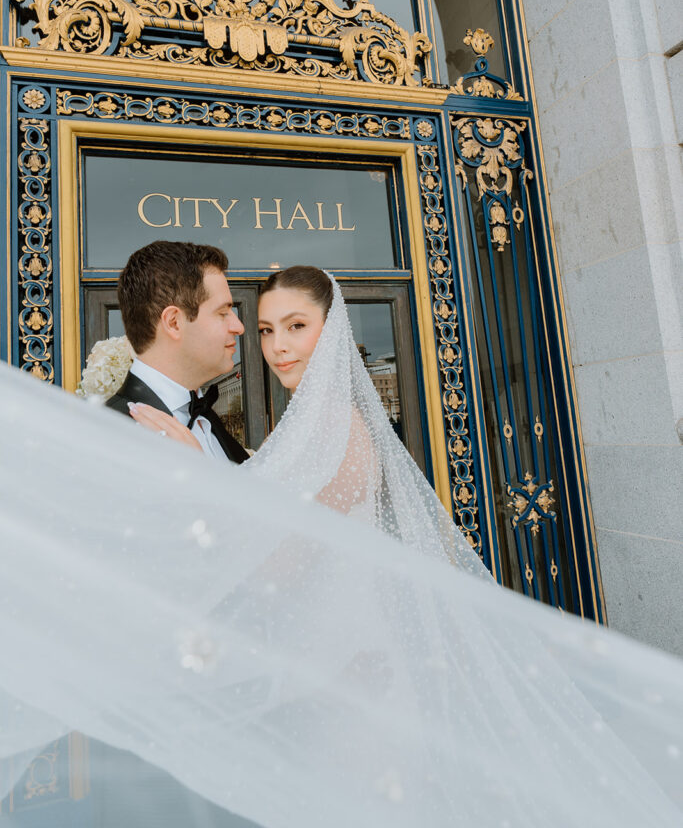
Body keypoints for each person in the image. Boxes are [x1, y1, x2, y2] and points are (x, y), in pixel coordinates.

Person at [1, 268, 683, 827]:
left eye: (296, 327)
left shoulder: (344, 428)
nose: (274, 344)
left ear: (333, 332)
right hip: (310, 669)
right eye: (265, 329)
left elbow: (288, 558)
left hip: (356, 668)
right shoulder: (295, 434)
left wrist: (202, 478)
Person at [106, 240, 249, 464]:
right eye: (223, 313)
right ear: (173, 322)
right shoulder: (113, 435)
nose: (239, 327)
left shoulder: (209, 419)